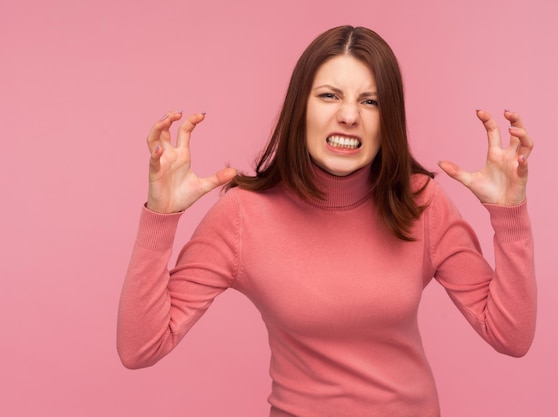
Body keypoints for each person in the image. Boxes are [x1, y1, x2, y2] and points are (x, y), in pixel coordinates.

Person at [117, 25, 536, 417]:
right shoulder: (243, 214)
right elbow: (140, 348)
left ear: (388, 120)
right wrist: (161, 217)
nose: (349, 116)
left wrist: (509, 216)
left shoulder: (421, 203)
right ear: (300, 108)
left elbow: (510, 336)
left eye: (370, 101)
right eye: (329, 96)